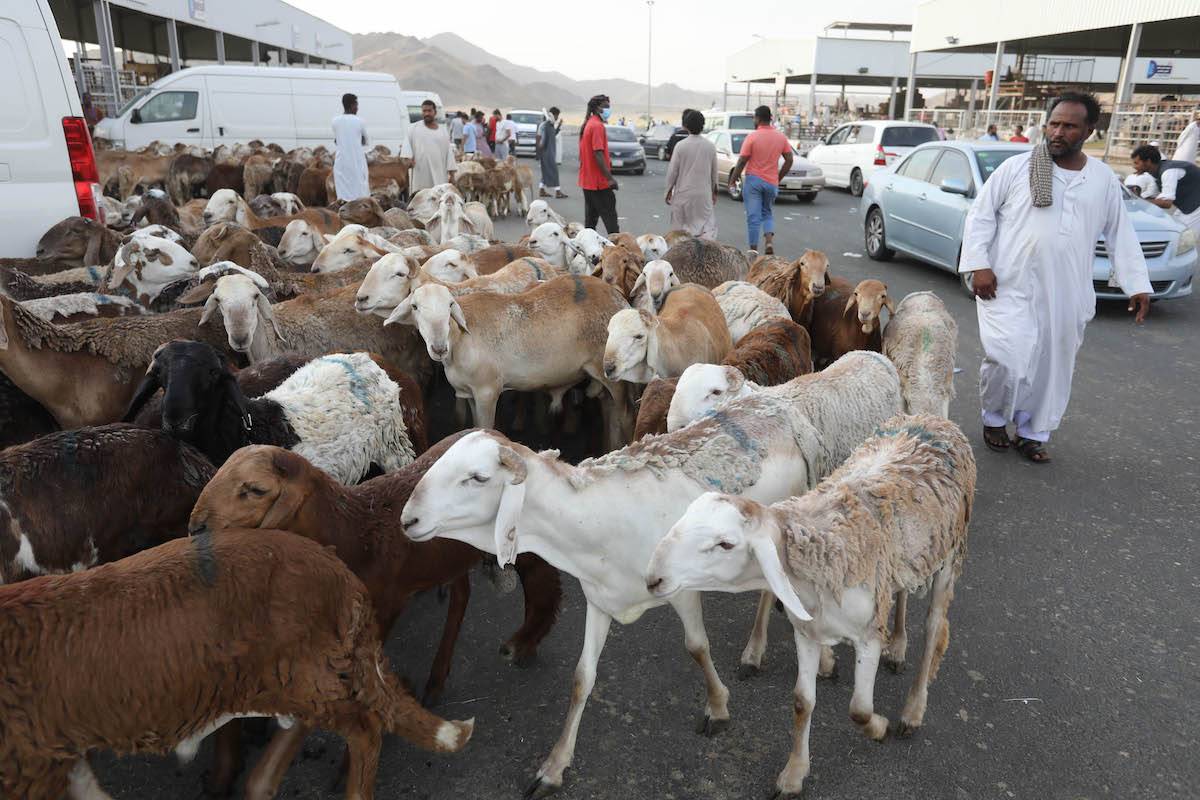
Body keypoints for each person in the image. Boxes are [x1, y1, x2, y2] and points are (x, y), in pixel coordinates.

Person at [960, 92, 1151, 464]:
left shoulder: (1102, 179)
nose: (1058, 132)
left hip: (1067, 292)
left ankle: (1033, 432)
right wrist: (978, 264)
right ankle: (995, 418)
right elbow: (980, 216)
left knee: (1052, 366)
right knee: (1007, 357)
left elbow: (1119, 234)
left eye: (1069, 126)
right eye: (1054, 123)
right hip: (1008, 285)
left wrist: (1138, 284)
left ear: (1089, 130)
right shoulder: (1016, 168)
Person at [727, 105, 792, 255]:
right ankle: (769, 242)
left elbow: (742, 160)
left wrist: (733, 179)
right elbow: (789, 159)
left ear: (757, 118)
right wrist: (778, 176)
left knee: (753, 217)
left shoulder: (752, 137)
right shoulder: (780, 137)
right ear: (770, 118)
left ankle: (753, 252)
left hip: (754, 182)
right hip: (771, 183)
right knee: (767, 213)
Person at [664, 109, 718, 238]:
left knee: (679, 231)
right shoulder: (710, 146)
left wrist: (668, 191)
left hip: (683, 194)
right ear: (702, 125)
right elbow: (714, 173)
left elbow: (672, 172)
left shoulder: (680, 146)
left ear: (686, 126)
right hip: (703, 195)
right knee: (705, 229)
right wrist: (714, 192)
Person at [1132, 143, 1200, 236]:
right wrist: (1136, 197)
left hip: (1196, 207)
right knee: (1174, 229)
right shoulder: (1155, 172)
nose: (1134, 166)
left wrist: (1139, 201)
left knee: (1181, 237)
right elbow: (1153, 195)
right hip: (1189, 205)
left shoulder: (1168, 171)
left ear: (1148, 161)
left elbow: (1166, 203)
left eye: (1136, 163)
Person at [578, 94, 619, 233]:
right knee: (612, 226)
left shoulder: (589, 123)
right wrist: (610, 178)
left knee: (590, 225)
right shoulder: (597, 126)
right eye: (605, 107)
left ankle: (587, 253)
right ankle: (617, 252)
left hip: (588, 183)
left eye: (609, 107)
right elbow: (598, 153)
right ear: (597, 108)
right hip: (599, 184)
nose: (608, 110)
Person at [405, 99, 457, 192]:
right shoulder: (413, 128)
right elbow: (406, 151)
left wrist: (452, 175)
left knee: (438, 198)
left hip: (440, 174)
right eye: (424, 111)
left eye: (429, 111)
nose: (426, 114)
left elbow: (449, 155)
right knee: (420, 199)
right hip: (420, 175)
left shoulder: (443, 131)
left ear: (435, 112)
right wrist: (408, 160)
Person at [331, 93, 370, 201]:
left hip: (341, 164)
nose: (357, 108)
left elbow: (337, 140)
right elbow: (366, 141)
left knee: (343, 194)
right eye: (356, 105)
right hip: (356, 162)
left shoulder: (335, 121)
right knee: (360, 194)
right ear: (352, 105)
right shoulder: (360, 121)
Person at [537, 106, 566, 199]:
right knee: (554, 171)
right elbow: (541, 139)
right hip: (547, 153)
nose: (557, 117)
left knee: (545, 172)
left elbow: (553, 135)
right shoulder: (546, 125)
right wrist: (540, 149)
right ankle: (558, 192)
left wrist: (559, 126)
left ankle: (541, 190)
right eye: (557, 115)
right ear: (554, 115)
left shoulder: (550, 125)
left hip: (549, 152)